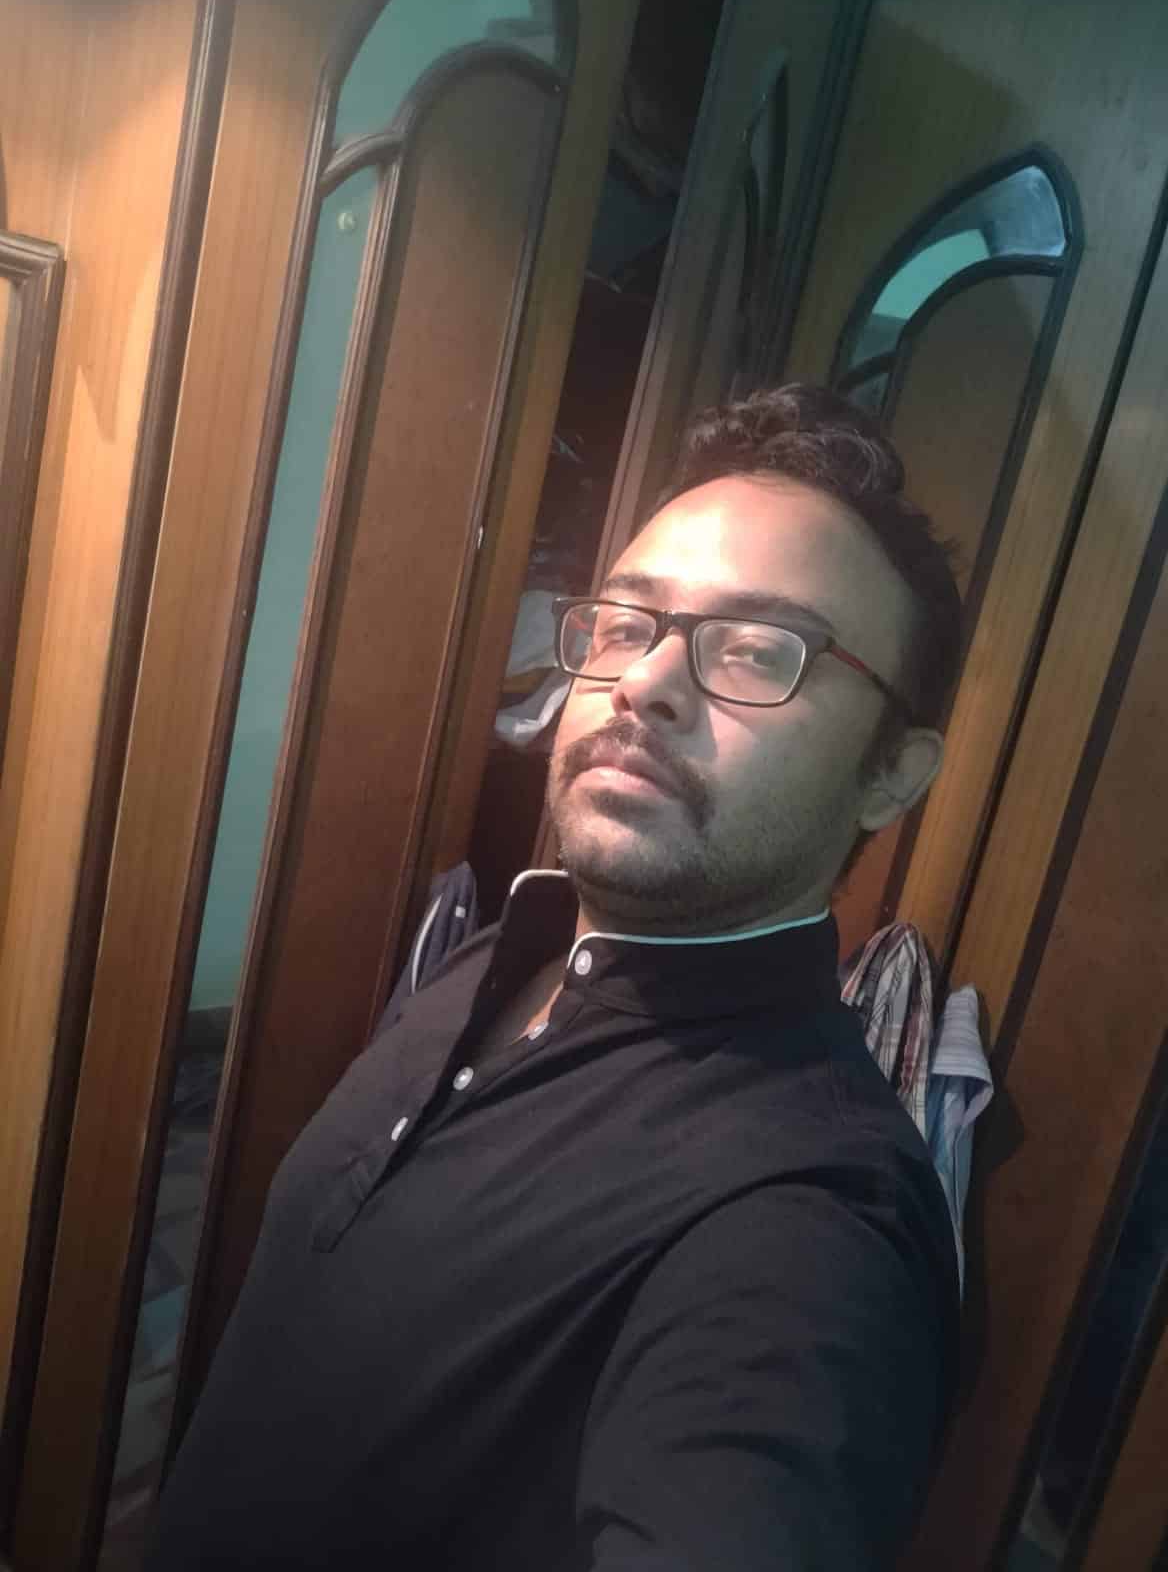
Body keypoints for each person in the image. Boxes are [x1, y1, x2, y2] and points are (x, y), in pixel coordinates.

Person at [149, 385, 964, 1570]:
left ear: (892, 773)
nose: (646, 683)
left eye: (757, 651)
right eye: (627, 625)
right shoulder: (510, 944)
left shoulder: (813, 1222)